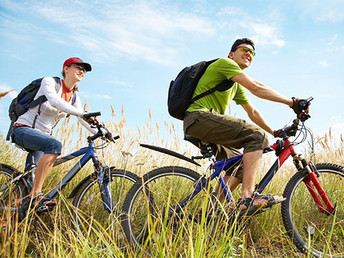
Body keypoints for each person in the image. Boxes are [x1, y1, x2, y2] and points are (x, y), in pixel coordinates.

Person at [183, 38, 309, 211]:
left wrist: (273, 131)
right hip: (199, 117)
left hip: (202, 123)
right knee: (257, 136)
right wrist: (292, 102)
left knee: (242, 167)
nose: (249, 54)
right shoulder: (224, 63)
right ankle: (248, 196)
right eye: (244, 50)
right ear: (231, 53)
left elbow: (253, 112)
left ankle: (210, 212)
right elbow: (256, 87)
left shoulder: (234, 84)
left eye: (252, 52)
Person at [11, 57, 96, 213]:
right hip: (23, 129)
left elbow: (81, 117)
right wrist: (82, 113)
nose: (81, 71)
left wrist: (101, 132)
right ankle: (36, 195)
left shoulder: (74, 96)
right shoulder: (50, 82)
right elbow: (55, 101)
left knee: (27, 182)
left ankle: (13, 217)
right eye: (78, 67)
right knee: (55, 145)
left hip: (41, 139)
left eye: (84, 70)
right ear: (66, 68)